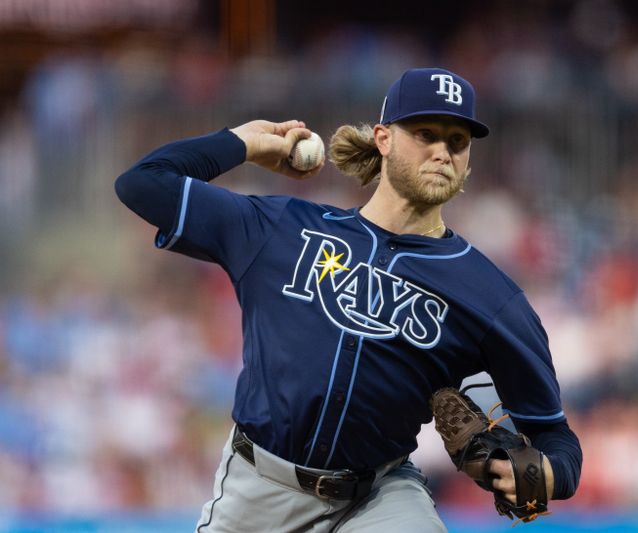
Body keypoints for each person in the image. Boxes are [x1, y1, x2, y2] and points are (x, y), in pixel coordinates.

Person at [115, 67, 582, 532]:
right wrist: (243, 143)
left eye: (457, 142)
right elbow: (143, 183)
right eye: (425, 133)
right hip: (260, 490)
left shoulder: (491, 295)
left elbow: (555, 436)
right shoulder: (282, 228)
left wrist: (551, 473)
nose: (442, 151)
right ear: (383, 138)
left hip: (378, 496)